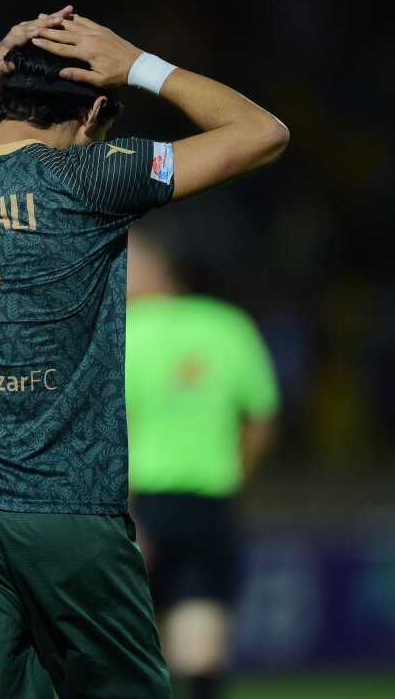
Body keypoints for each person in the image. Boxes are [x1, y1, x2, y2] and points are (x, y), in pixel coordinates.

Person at [0, 5, 289, 698]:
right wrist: (139, 65)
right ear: (95, 112)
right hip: (63, 509)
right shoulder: (91, 179)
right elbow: (263, 134)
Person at [125, 224, 280, 699]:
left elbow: (103, 433)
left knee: (128, 647)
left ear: (156, 265)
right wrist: (235, 474)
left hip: (137, 508)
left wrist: (123, 512)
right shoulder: (230, 326)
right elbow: (262, 423)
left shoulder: (120, 329)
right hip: (211, 506)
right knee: (200, 650)